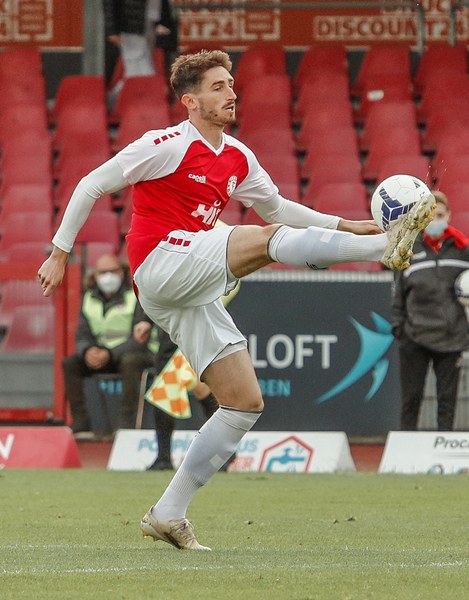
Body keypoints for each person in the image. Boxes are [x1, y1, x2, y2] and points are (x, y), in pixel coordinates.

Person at [38, 50, 435, 551]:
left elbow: (279, 208)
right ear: (190, 101)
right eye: (218, 86)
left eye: (230, 83)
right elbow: (91, 183)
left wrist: (347, 224)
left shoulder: (238, 156)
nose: (231, 93)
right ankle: (385, 250)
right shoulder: (165, 145)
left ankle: (168, 513)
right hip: (159, 262)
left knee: (244, 402)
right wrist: (59, 253)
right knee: (262, 240)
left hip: (186, 289)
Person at [391, 190, 469, 431]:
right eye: (430, 216)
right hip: (414, 338)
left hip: (451, 339)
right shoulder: (408, 249)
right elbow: (398, 296)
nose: (435, 220)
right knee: (411, 401)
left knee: (447, 403)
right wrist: (400, 331)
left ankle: (442, 450)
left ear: (449, 216)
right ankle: (406, 450)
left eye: (440, 215)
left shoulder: (463, 249)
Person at [63, 253, 155, 434]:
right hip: (102, 355)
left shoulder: (135, 295)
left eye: (113, 271)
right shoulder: (88, 298)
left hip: (133, 354)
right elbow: (82, 333)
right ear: (95, 275)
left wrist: (110, 353)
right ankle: (81, 422)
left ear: (123, 272)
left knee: (130, 362)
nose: (108, 276)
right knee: (70, 363)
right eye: (103, 272)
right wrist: (88, 351)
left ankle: (125, 423)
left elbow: (139, 339)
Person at [103, 0, 176, 95]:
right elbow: (109, 4)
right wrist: (112, 30)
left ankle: (115, 99)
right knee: (138, 65)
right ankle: (151, 93)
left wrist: (165, 19)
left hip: (149, 21)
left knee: (135, 68)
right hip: (131, 23)